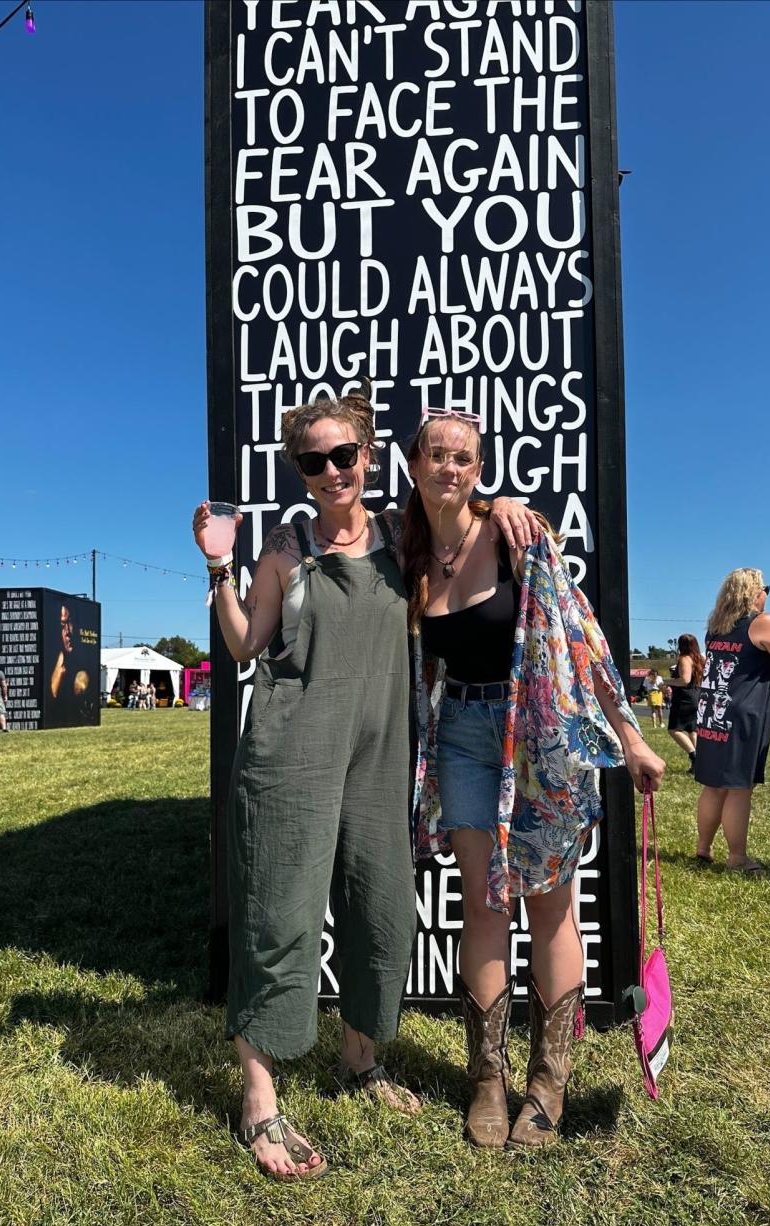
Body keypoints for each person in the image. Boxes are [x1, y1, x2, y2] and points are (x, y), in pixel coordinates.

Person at [192, 386, 542, 1181]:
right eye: (311, 460)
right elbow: (246, 645)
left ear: (369, 457)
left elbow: (461, 516)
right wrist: (218, 565)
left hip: (381, 760)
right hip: (290, 757)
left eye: (342, 455)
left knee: (381, 910)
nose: (328, 471)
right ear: (300, 468)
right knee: (279, 915)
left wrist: (506, 501)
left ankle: (360, 1060)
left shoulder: (400, 538)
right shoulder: (284, 551)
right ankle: (259, 1097)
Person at [404, 411, 666, 1149]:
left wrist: (632, 736)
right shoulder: (412, 553)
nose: (449, 467)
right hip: (458, 733)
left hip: (537, 737)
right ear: (415, 465)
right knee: (484, 903)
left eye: (463, 457)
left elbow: (583, 636)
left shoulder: (518, 535)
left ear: (478, 470)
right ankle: (487, 1077)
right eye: (436, 454)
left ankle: (549, 1079)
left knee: (551, 904)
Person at [694, 570, 770, 874]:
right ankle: (737, 858)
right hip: (743, 714)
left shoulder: (716, 627)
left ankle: (703, 848)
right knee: (740, 787)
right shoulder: (763, 622)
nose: (767, 593)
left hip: (714, 711)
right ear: (754, 592)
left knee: (713, 785)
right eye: (765, 587)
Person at [663, 634, 705, 774]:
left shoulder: (684, 659)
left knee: (674, 729)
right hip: (696, 695)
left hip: (684, 698)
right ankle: (700, 765)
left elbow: (685, 680)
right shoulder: (699, 659)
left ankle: (694, 756)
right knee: (693, 730)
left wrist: (666, 681)